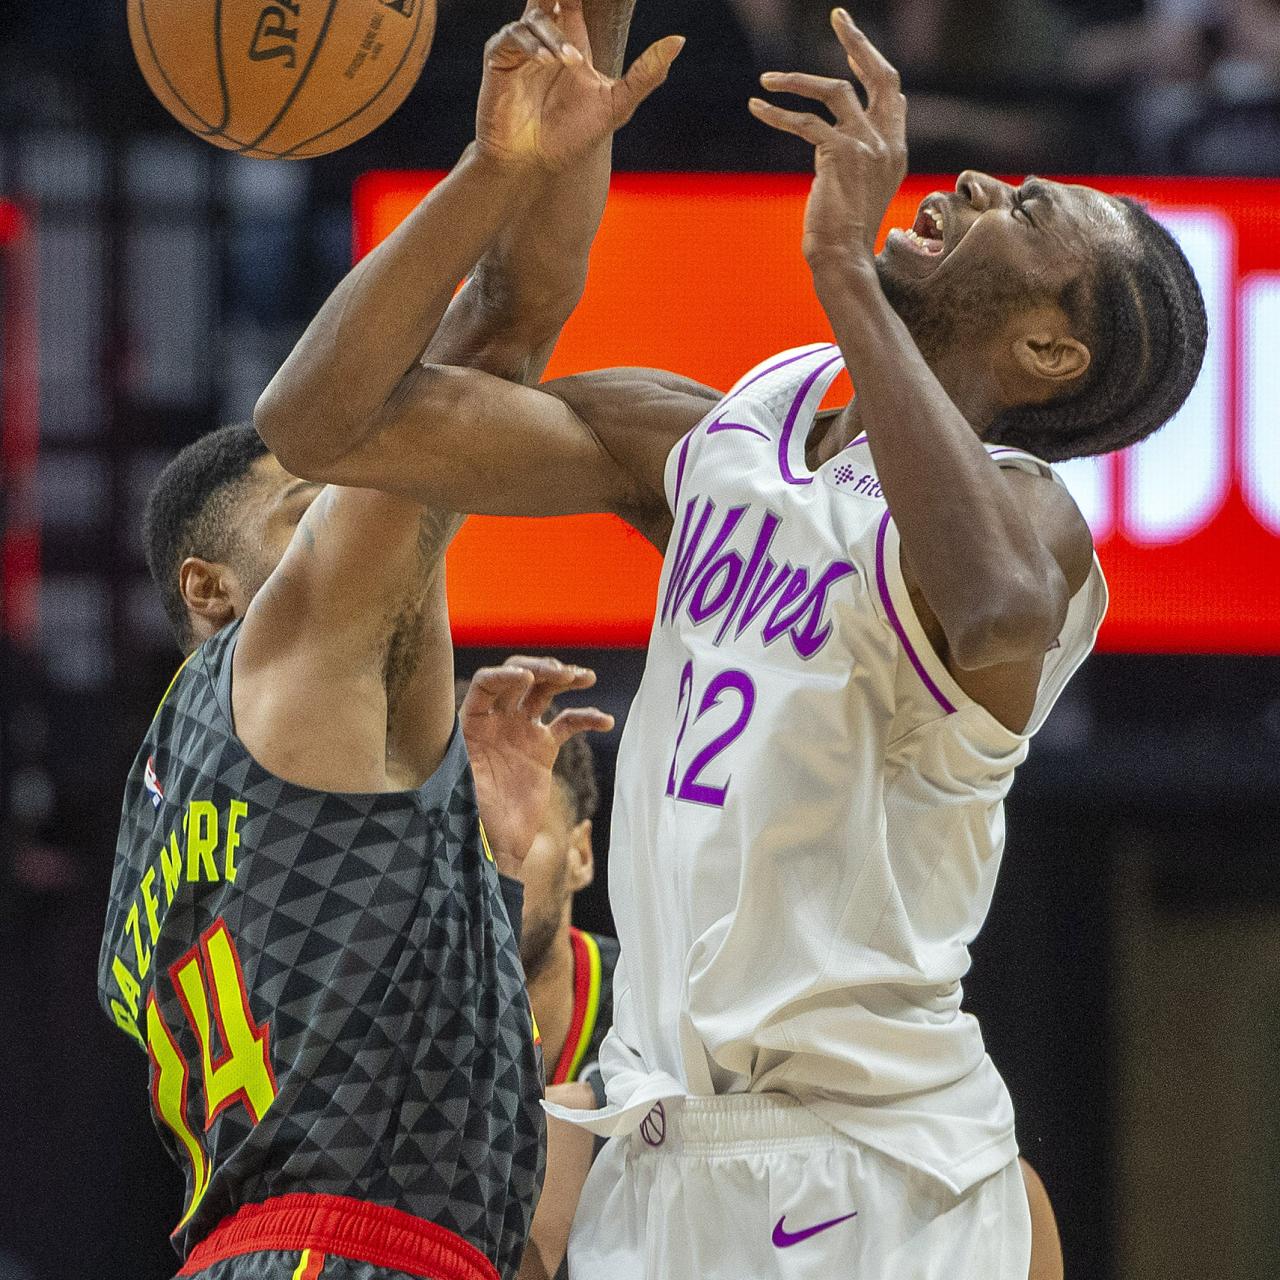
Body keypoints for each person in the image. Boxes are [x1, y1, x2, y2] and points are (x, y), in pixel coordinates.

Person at [254, 9, 1208, 1279]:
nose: (977, 179)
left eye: (1025, 212)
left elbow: (987, 608)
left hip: (872, 1164)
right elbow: (322, 422)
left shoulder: (1027, 520)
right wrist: (499, 171)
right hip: (658, 1158)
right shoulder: (724, 439)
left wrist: (844, 272)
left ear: (1047, 347)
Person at [96, 6, 681, 1279]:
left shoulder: (169, 802)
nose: (367, 497)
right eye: (312, 507)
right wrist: (497, 166)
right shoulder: (294, 638)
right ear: (211, 585)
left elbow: (500, 344)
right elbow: (462, 354)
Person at [458, 665, 620, 1280]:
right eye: (466, 831)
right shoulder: (399, 1016)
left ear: (582, 854)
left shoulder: (648, 1006)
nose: (490, 858)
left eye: (522, 829)